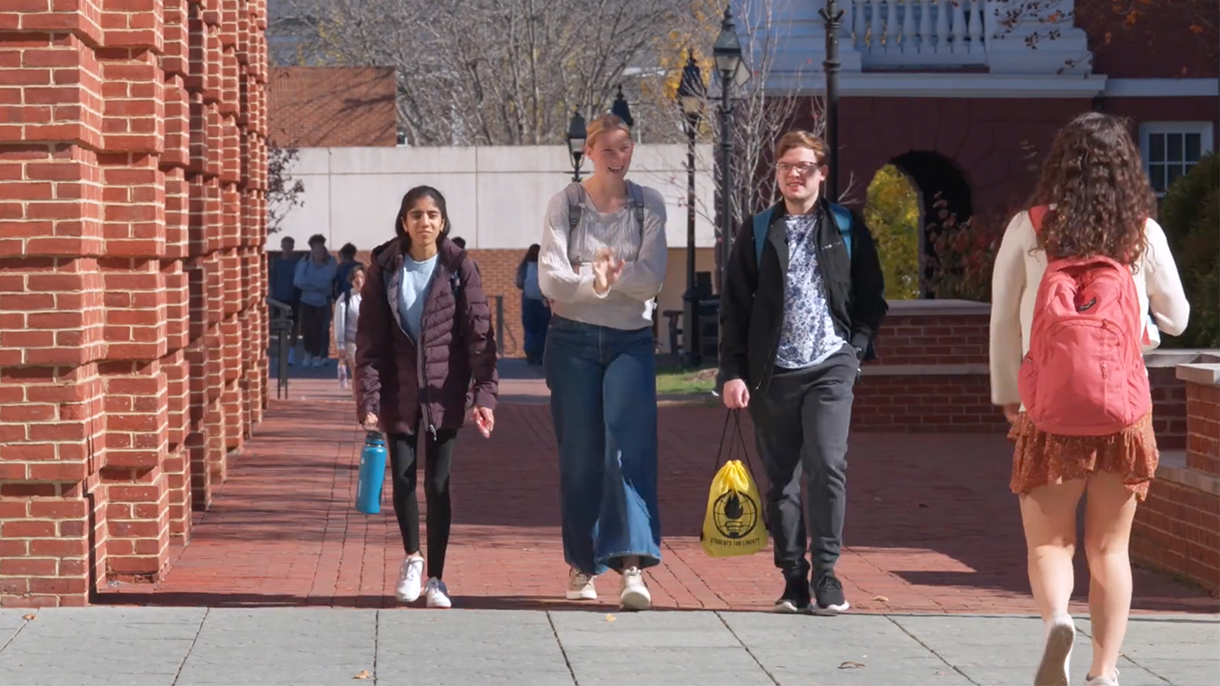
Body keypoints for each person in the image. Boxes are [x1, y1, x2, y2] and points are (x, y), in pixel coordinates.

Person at [989, 112, 1189, 686]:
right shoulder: (1142, 233)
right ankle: (1105, 673)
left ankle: (1057, 621)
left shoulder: (1029, 229)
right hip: (1124, 411)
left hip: (1047, 408)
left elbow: (1004, 320)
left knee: (1050, 543)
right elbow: (1177, 318)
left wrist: (1007, 392)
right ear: (1125, 169)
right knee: (1109, 549)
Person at [718, 130, 887, 615]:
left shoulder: (845, 226)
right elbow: (734, 309)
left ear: (822, 173)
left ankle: (828, 574)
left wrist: (855, 349)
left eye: (805, 167)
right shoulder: (756, 231)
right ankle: (794, 577)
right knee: (782, 480)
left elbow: (872, 296)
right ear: (777, 173)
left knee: (828, 465)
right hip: (772, 372)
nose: (795, 174)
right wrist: (732, 372)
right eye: (787, 166)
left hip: (831, 364)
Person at [538, 113, 668, 611]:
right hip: (570, 341)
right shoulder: (565, 205)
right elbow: (551, 278)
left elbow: (652, 276)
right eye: (608, 149)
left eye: (626, 148)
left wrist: (598, 277)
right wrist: (600, 278)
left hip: (630, 340)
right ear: (589, 152)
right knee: (580, 456)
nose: (619, 158)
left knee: (626, 449)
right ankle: (581, 562)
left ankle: (631, 565)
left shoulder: (647, 204)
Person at [354, 185, 498, 609]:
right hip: (399, 393)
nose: (425, 222)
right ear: (404, 221)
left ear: (443, 220)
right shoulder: (384, 267)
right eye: (416, 214)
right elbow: (369, 342)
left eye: (432, 214)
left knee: (437, 484)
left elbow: (479, 336)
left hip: (443, 392)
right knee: (401, 479)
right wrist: (369, 401)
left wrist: (484, 396)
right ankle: (412, 558)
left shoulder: (459, 268)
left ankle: (436, 578)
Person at [293, 234, 337, 368]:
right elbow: (299, 281)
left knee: (322, 329)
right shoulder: (305, 262)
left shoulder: (330, 262)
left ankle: (320, 355)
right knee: (307, 328)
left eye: (320, 250)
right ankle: (308, 353)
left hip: (323, 301)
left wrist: (311, 284)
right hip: (306, 300)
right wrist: (313, 285)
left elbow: (327, 279)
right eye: (315, 250)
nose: (318, 253)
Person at [269, 236, 302, 365]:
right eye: (285, 246)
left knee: (293, 326)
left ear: (293, 248)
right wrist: (271, 293)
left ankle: (291, 355)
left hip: (293, 297)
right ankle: (278, 353)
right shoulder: (276, 262)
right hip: (278, 298)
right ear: (281, 247)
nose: (287, 249)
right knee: (278, 327)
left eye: (289, 246)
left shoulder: (297, 262)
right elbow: (272, 279)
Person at [515, 244, 550, 365]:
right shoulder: (545, 265)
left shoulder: (525, 266)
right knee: (543, 328)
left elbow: (519, 282)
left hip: (528, 300)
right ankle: (540, 355)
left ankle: (530, 353)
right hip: (543, 301)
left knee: (530, 328)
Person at [334, 265, 366, 390]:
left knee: (366, 371)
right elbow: (339, 321)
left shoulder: (372, 297)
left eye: (362, 277)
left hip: (368, 341)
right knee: (357, 369)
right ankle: (358, 397)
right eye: (355, 278)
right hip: (351, 341)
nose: (359, 280)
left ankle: (361, 397)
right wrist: (340, 344)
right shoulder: (345, 298)